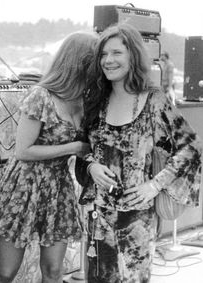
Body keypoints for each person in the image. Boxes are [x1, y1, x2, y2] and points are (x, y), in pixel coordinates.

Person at [75, 23, 202, 283]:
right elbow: (81, 146)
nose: (108, 60)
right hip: (99, 217)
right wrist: (90, 166)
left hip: (137, 220)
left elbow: (192, 147)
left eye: (116, 53)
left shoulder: (154, 101)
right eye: (103, 54)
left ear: (132, 55)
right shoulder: (95, 98)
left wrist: (155, 185)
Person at [0, 31, 98, 283]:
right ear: (80, 63)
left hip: (58, 189)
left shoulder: (85, 101)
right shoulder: (41, 96)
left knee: (54, 271)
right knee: (5, 272)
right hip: (24, 187)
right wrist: (74, 148)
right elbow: (23, 151)